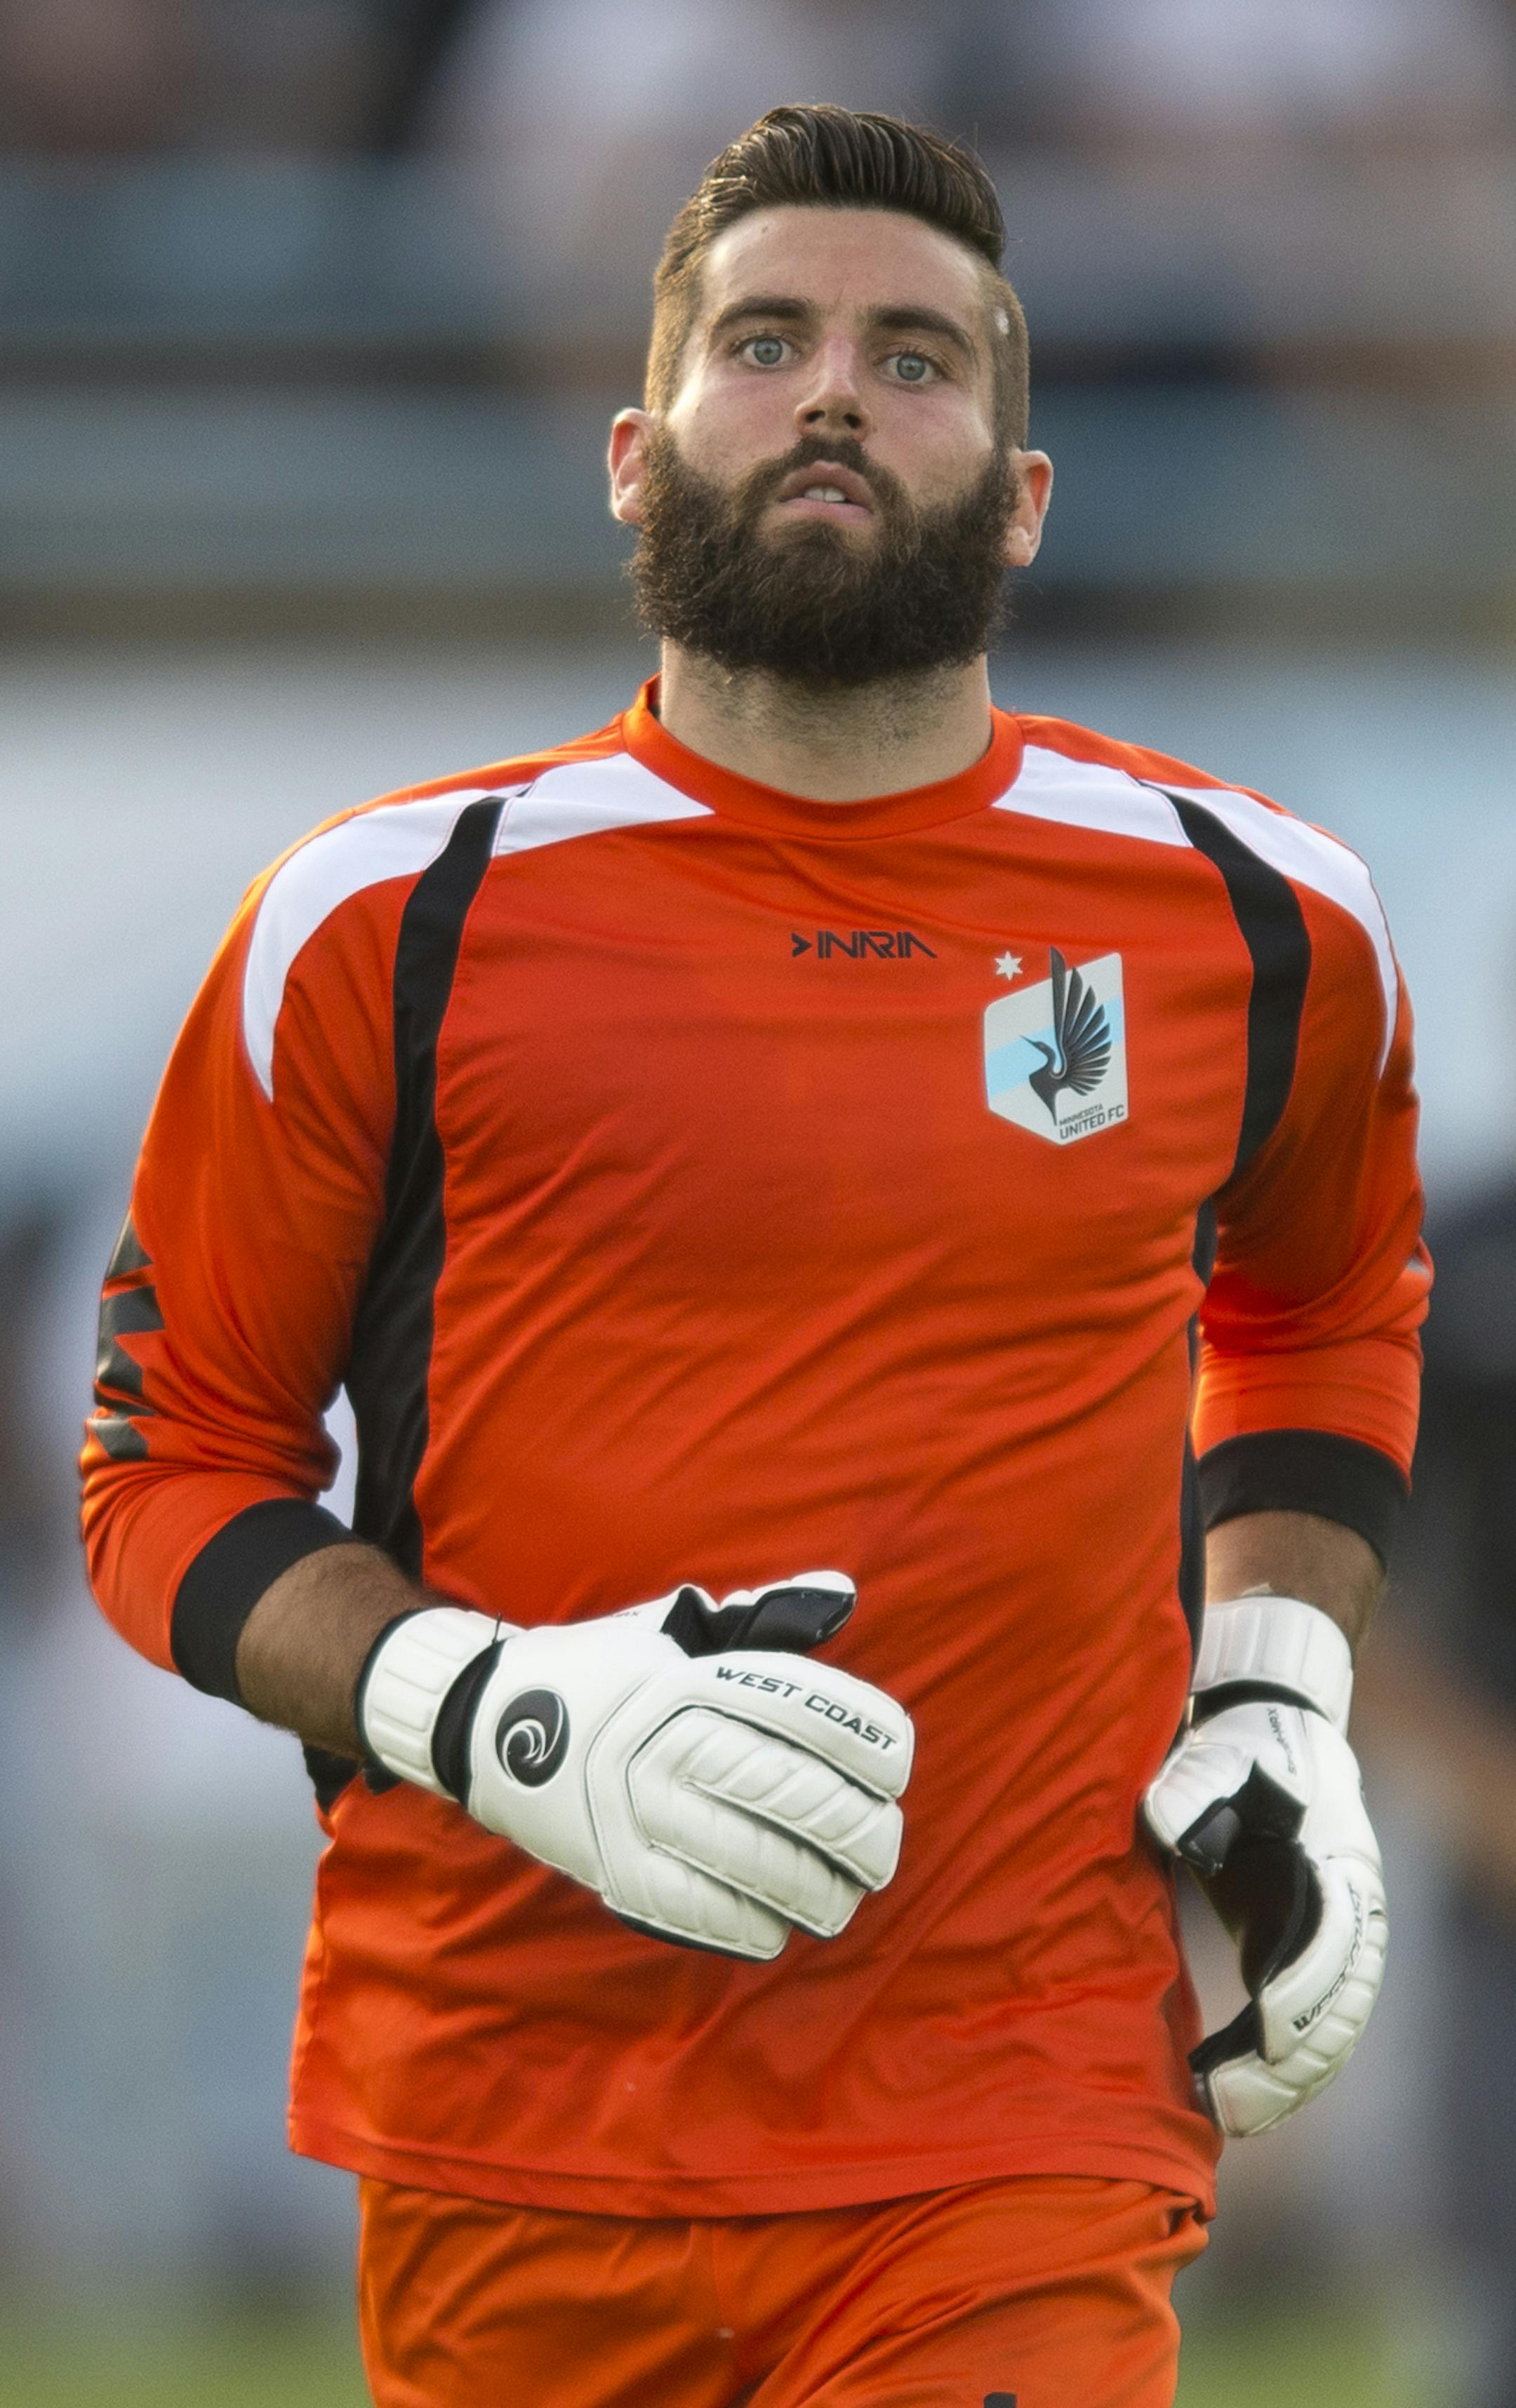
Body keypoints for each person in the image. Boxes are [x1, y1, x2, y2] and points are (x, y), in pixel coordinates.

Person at [81, 105, 1428, 2408]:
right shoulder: (379, 925)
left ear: (1019, 496)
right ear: (632, 452)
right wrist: (500, 1709)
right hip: (516, 2122)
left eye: (916, 358)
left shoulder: (1258, 918)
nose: (832, 390)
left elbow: (1318, 1309)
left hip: (1015, 2114)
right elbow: (168, 1473)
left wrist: (1280, 1687)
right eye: (767, 338)